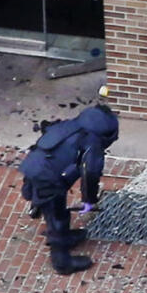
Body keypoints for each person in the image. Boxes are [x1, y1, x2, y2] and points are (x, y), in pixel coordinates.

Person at [19, 104, 118, 275]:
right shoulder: (92, 143)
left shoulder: (72, 125)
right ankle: (62, 262)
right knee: (57, 217)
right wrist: (89, 200)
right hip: (47, 178)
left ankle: (65, 236)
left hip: (37, 166)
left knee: (56, 209)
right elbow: (90, 174)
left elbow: (47, 131)